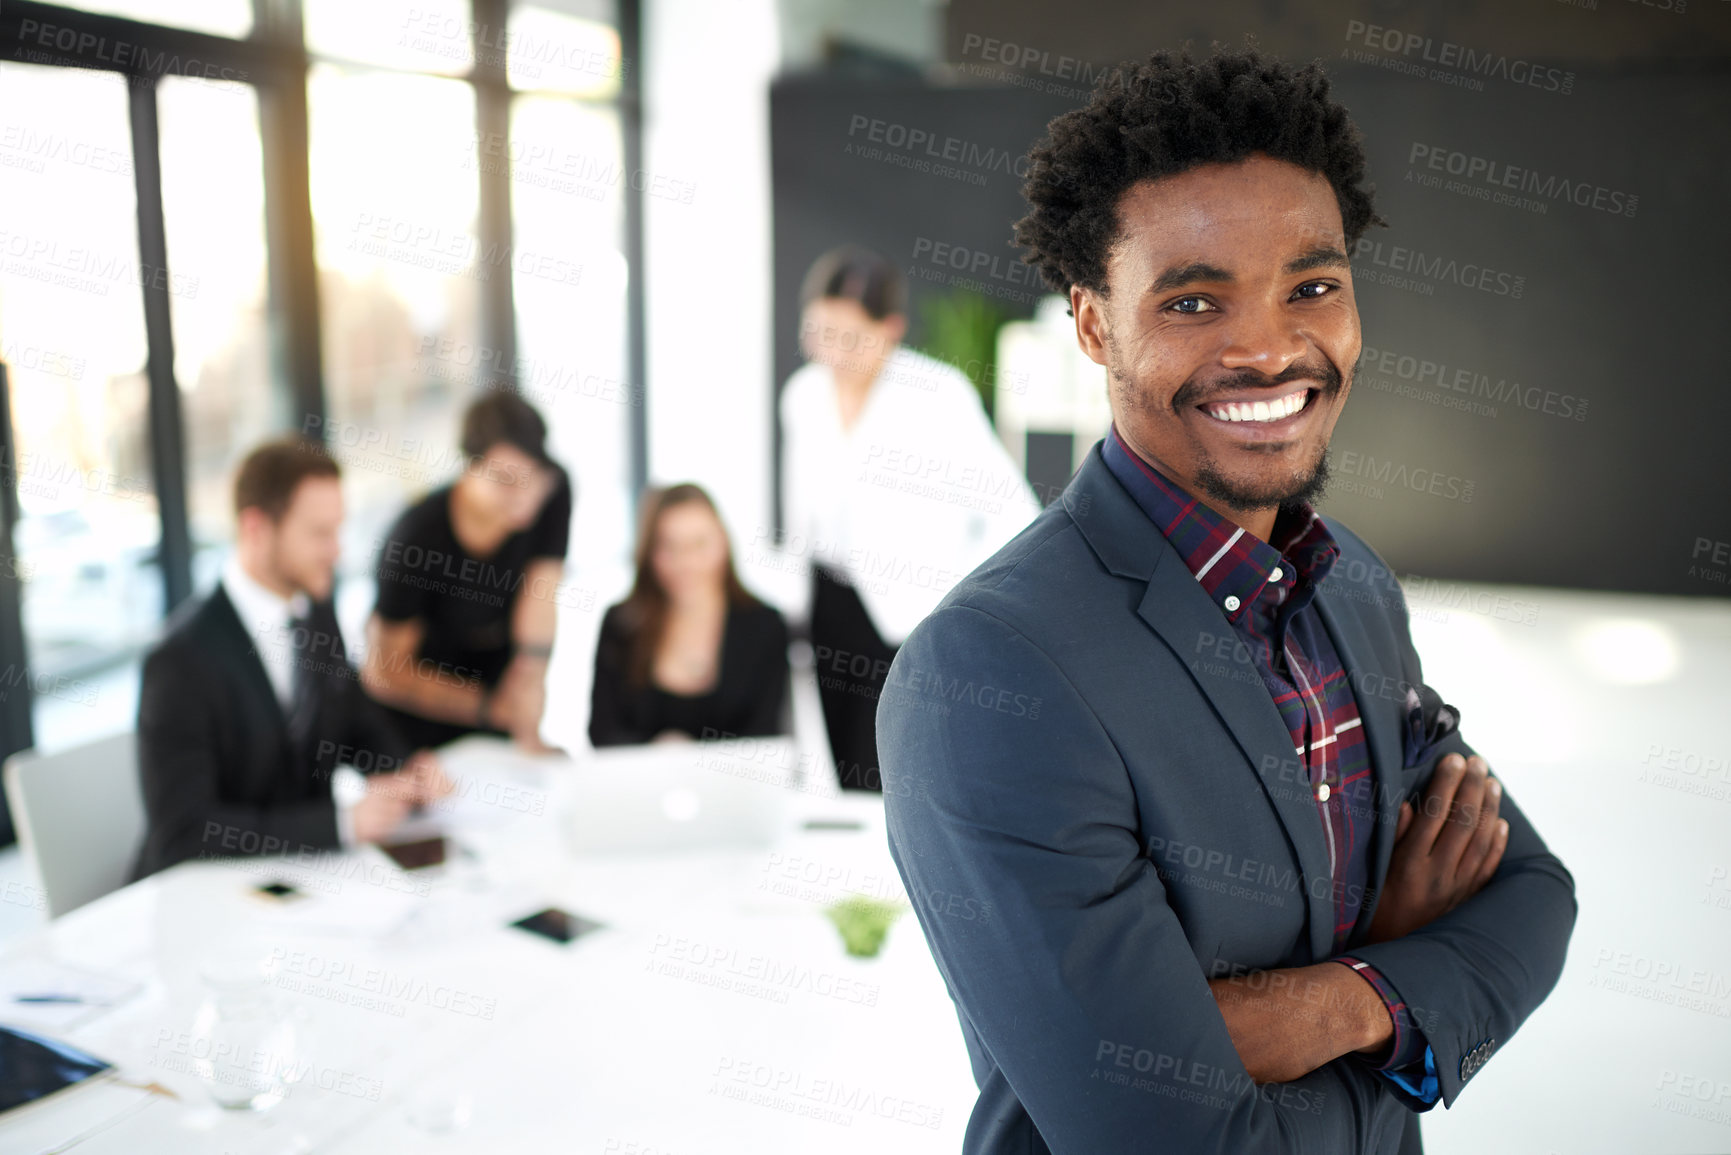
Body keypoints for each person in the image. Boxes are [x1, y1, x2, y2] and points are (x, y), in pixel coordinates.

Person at [878, 47, 1576, 1153]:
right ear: (1096, 325)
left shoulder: (1350, 583)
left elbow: (1533, 895)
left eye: (1312, 287)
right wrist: (1407, 981)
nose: (1268, 347)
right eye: (1194, 300)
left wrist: (1335, 1000)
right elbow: (1169, 1136)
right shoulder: (991, 672)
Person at [779, 246, 1040, 791]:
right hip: (831, 599)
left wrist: (959, 603)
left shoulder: (938, 396)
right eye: (819, 333)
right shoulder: (802, 396)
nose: (831, 353)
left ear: (891, 329)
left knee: (909, 773)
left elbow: (1012, 513)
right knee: (847, 769)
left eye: (849, 337)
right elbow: (802, 514)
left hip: (914, 610)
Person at [132, 439, 450, 880]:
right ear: (256, 529)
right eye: (320, 533)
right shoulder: (179, 661)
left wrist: (404, 769)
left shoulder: (315, 609)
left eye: (338, 530)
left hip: (301, 882)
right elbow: (184, 831)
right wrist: (338, 824)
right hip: (207, 899)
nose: (337, 551)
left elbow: (354, 723)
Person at [363, 390, 572, 753]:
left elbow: (541, 597)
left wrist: (527, 698)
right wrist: (490, 708)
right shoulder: (414, 540)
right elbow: (384, 672)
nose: (525, 495)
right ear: (468, 468)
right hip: (418, 713)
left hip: (494, 688)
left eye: (534, 474)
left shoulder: (554, 490)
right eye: (506, 480)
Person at [590, 484, 789, 746]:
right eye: (669, 547)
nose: (685, 563)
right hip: (640, 784)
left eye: (699, 544)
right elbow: (602, 733)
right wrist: (657, 753)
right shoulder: (621, 624)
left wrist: (695, 760)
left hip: (736, 785)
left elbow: (767, 736)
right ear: (649, 552)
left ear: (724, 544)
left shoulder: (765, 625)